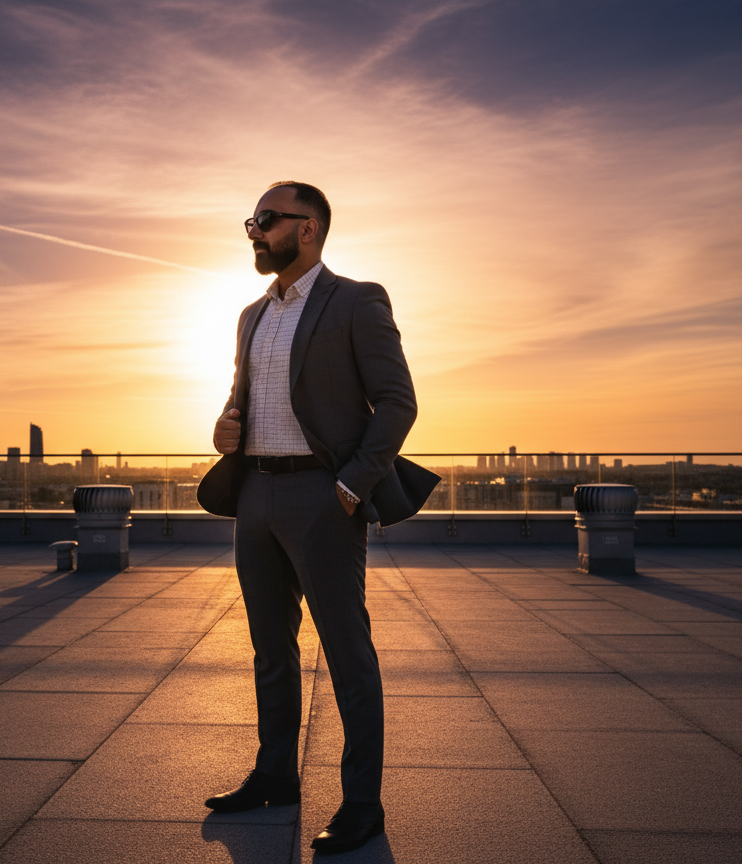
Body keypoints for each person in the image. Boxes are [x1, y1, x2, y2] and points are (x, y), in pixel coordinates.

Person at [197, 181, 438, 855]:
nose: (254, 229)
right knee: (270, 647)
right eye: (252, 218)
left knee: (346, 654)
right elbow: (240, 398)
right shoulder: (250, 314)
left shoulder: (358, 300)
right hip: (255, 493)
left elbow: (397, 402)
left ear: (308, 228)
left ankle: (363, 803)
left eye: (266, 219)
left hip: (322, 496)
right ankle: (275, 773)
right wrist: (225, 427)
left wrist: (351, 486)